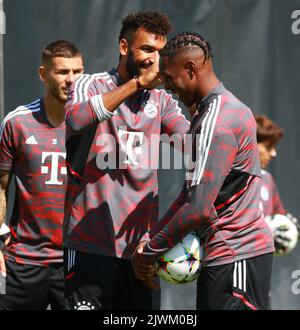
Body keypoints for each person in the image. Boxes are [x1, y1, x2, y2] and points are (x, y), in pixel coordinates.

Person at [132, 32, 275, 310]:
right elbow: (191, 194)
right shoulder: (210, 114)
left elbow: (198, 208)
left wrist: (149, 252)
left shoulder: (217, 120)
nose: (169, 87)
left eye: (170, 78)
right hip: (230, 257)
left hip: (237, 258)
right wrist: (152, 240)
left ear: (191, 69)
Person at [63, 11, 189, 310]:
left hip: (140, 252)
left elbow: (193, 143)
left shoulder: (162, 100)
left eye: (160, 52)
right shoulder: (90, 85)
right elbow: (76, 120)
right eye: (146, 49)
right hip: (89, 244)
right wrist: (136, 84)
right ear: (124, 47)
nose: (153, 59)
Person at [0, 40, 84, 309]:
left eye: (77, 72)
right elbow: (0, 187)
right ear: (43, 74)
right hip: (22, 261)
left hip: (77, 262)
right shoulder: (17, 122)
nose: (71, 80)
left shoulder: (94, 127)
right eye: (62, 72)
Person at [255, 114, 299, 255]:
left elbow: (277, 213)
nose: (273, 153)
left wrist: (288, 225)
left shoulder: (267, 179)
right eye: (268, 147)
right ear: (251, 144)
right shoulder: (231, 177)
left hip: (261, 259)